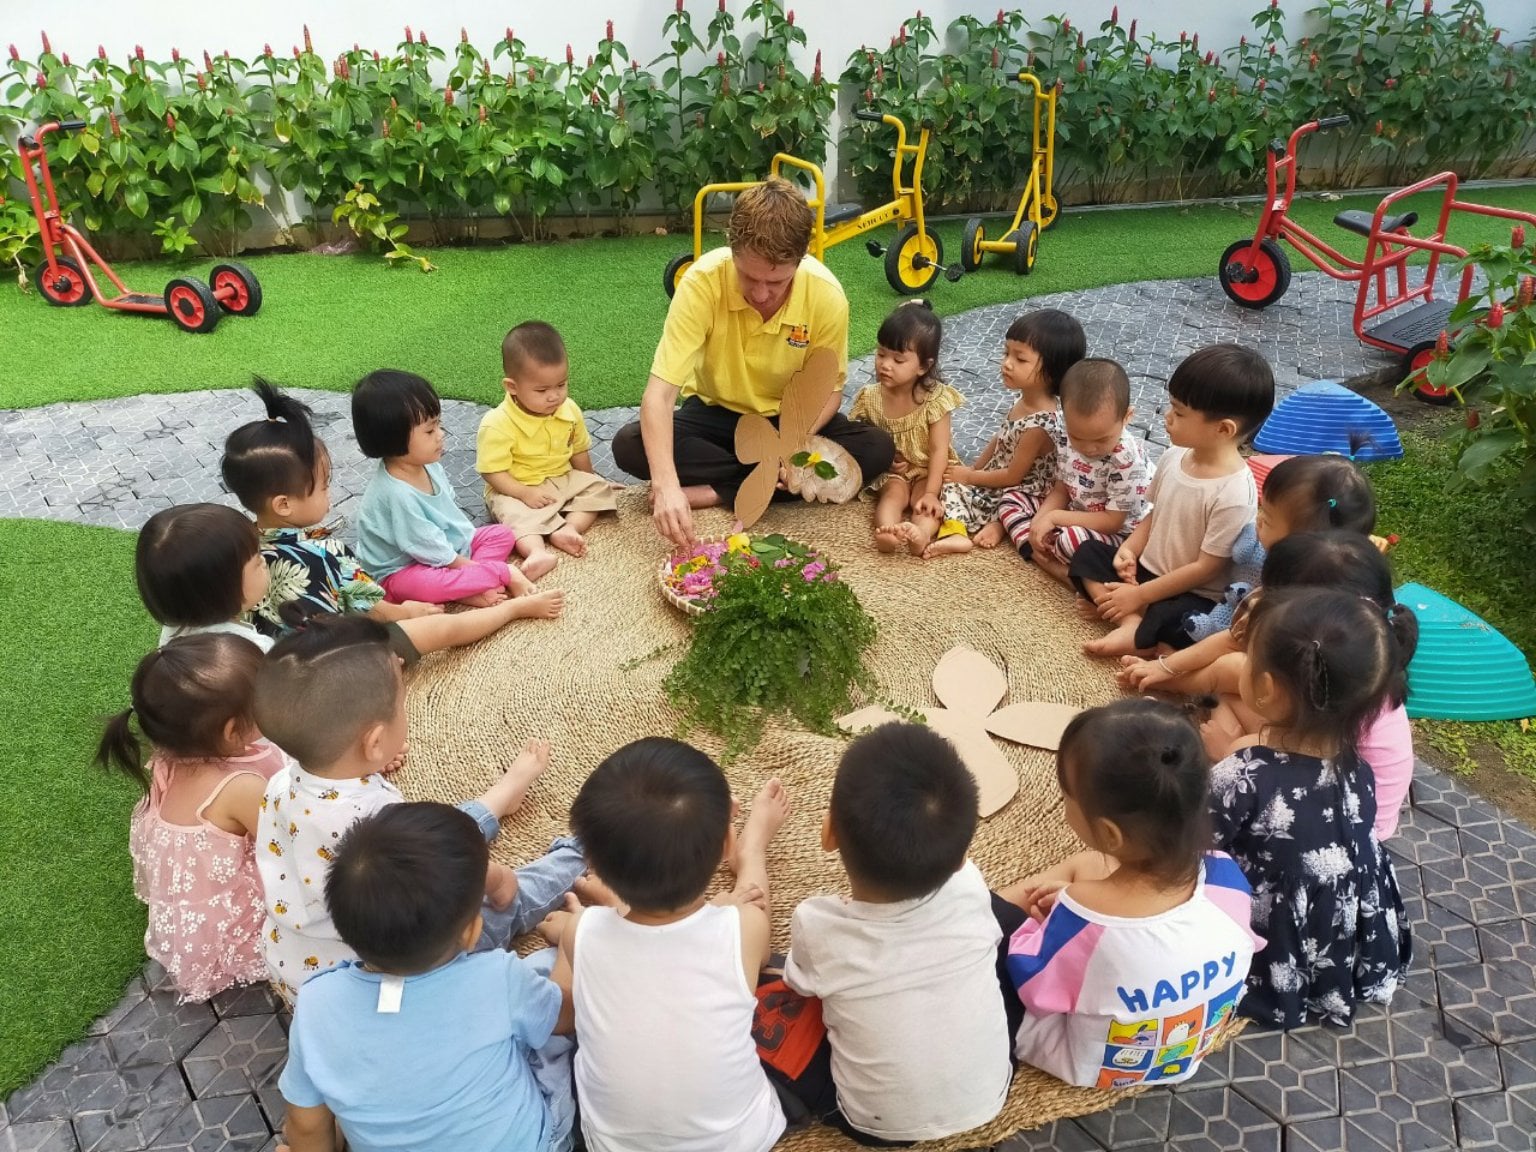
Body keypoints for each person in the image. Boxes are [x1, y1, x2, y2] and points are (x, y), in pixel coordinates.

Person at [253, 616, 585, 1004]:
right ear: (375, 742)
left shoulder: (282, 782)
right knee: (508, 899)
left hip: (298, 971)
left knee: (434, 832)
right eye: (402, 704)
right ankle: (585, 850)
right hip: (394, 976)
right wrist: (497, 879)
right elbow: (446, 875)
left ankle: (500, 797)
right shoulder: (379, 817)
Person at [610, 177, 895, 546]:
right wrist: (665, 486)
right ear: (732, 250)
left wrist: (788, 446)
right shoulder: (700, 283)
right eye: (748, 276)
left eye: (776, 282)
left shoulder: (827, 296)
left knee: (876, 448)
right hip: (715, 417)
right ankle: (761, 483)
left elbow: (830, 392)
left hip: (790, 420)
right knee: (629, 444)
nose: (760, 294)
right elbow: (659, 396)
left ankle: (718, 490)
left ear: (801, 258)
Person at [537, 738, 791, 1152]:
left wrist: (570, 934)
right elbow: (754, 914)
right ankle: (753, 851)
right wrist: (731, 893)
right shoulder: (743, 927)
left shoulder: (582, 933)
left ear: (594, 864)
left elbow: (562, 1017)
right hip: (739, 1141)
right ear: (724, 844)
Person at [279, 803, 577, 1152]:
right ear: (471, 933)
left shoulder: (315, 1003)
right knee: (543, 970)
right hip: (536, 1144)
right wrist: (571, 941)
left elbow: (305, 1125)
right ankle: (575, 862)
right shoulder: (499, 977)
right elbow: (565, 1016)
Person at [995, 699, 1260, 1089]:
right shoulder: (1225, 876)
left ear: (1109, 833)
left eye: (1067, 796)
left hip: (1091, 1063)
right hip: (1184, 1049)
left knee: (995, 928)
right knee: (1091, 870)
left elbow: (1033, 985)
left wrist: (1052, 921)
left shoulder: (1083, 914)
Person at [776, 724, 1010, 1144]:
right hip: (991, 1091)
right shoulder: (971, 886)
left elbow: (798, 982)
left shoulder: (817, 925)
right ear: (962, 858)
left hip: (876, 1127)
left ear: (828, 834)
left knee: (774, 1011)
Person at [221, 379, 561, 661]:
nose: (330, 493)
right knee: (443, 629)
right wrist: (407, 613)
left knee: (496, 537)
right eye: (323, 486)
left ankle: (475, 583)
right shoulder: (325, 551)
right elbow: (375, 608)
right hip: (345, 654)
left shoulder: (243, 544)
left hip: (293, 659)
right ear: (284, 504)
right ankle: (509, 599)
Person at [1208, 587, 1412, 1028]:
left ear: (1264, 687)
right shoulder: (1359, 768)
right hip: (1338, 931)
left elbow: (1188, 845)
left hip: (1271, 934)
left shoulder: (1244, 773)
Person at [1147, 532, 1418, 839]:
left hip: (1325, 827)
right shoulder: (1358, 674)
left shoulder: (1255, 762)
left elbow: (1188, 841)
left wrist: (1230, 754)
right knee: (1227, 693)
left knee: (1232, 717)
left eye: (1253, 658)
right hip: (1355, 813)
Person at [96, 634, 283, 1002]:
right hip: (231, 927)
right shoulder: (240, 787)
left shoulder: (169, 755)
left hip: (193, 907)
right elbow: (284, 845)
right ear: (231, 730)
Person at [1069, 344, 1275, 657]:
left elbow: (1206, 568)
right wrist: (1129, 550)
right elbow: (1155, 513)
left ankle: (1130, 615)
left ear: (1223, 429)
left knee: (1184, 623)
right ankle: (1130, 621)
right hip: (1146, 571)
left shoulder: (1233, 491)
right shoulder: (1174, 456)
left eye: (1179, 413)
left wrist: (1141, 595)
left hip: (1191, 591)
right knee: (1087, 554)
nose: (1167, 417)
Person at [352, 369, 563, 614]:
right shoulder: (396, 494)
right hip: (400, 571)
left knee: (501, 534)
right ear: (393, 439)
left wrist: (467, 564)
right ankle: (501, 575)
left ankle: (471, 588)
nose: (441, 435)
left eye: (438, 425)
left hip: (442, 549)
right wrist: (497, 571)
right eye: (430, 431)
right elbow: (425, 545)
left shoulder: (428, 465)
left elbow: (449, 524)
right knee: (422, 584)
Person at [927, 308, 1086, 558]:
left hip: (1022, 489)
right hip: (1001, 477)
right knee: (948, 481)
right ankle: (992, 522)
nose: (1007, 363)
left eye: (1020, 359)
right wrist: (974, 470)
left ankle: (961, 532)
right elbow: (999, 439)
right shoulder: (1024, 400)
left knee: (961, 493)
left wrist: (970, 477)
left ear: (1053, 370)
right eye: (1006, 353)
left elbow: (1013, 477)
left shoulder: (1039, 424)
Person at [1180, 451, 1376, 643]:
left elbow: (1230, 643)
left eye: (1267, 519)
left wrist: (1175, 663)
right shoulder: (1335, 571)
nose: (1258, 519)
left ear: (1299, 543)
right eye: (1261, 509)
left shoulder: (1284, 600)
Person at [993, 358, 1149, 586]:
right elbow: (1061, 489)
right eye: (1078, 437)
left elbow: (1112, 522)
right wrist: (1039, 521)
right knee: (1010, 500)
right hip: (1076, 510)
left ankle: (1060, 570)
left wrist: (1054, 518)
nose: (1089, 448)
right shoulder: (1064, 435)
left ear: (1127, 417)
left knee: (1071, 541)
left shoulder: (1126, 460)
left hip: (1120, 534)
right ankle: (1048, 555)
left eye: (1101, 439)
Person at [477, 321, 618, 570]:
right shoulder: (497, 423)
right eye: (542, 390)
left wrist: (590, 479)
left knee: (599, 488)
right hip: (516, 488)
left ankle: (569, 529)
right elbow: (492, 472)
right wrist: (524, 493)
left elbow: (578, 451)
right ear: (512, 387)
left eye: (561, 385)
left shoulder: (569, 409)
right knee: (513, 514)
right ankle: (536, 552)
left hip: (561, 478)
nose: (554, 396)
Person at [844, 303, 964, 556]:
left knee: (926, 503)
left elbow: (939, 450)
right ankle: (888, 531)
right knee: (892, 495)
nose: (885, 364)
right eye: (881, 354)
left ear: (923, 366)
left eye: (898, 359)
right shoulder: (870, 397)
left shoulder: (935, 399)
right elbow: (866, 441)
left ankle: (921, 533)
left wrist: (931, 493)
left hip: (928, 470)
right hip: (895, 473)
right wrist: (885, 461)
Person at [136, 502, 274, 653]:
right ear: (223, 590)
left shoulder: (176, 629)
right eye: (257, 560)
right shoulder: (257, 650)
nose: (263, 561)